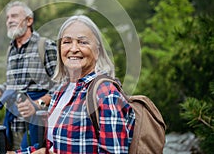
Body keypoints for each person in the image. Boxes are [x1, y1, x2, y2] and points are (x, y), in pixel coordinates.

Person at [16, 15, 135, 154]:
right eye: (66, 42)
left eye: (82, 42)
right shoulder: (61, 90)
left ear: (97, 51)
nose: (73, 49)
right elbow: (52, 146)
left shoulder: (105, 93)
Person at [0, 1, 58, 153]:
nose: (9, 21)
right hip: (13, 125)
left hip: (38, 126)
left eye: (14, 16)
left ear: (29, 21)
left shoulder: (45, 46)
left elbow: (62, 86)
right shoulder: (11, 50)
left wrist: (38, 104)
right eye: (7, 18)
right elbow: (12, 85)